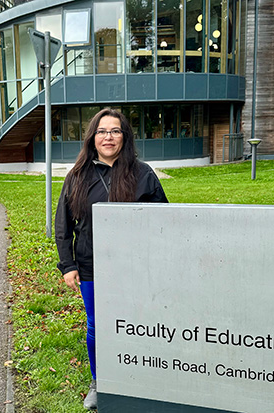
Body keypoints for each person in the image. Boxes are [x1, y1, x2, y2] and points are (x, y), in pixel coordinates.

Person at [54, 108, 168, 410]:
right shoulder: (78, 176)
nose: (108, 137)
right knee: (96, 325)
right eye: (102, 131)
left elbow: (165, 221)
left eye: (115, 131)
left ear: (124, 136)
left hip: (135, 267)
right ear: (93, 137)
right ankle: (99, 380)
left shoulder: (142, 173)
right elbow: (63, 224)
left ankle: (139, 376)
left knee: (138, 323)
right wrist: (68, 265)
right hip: (91, 266)